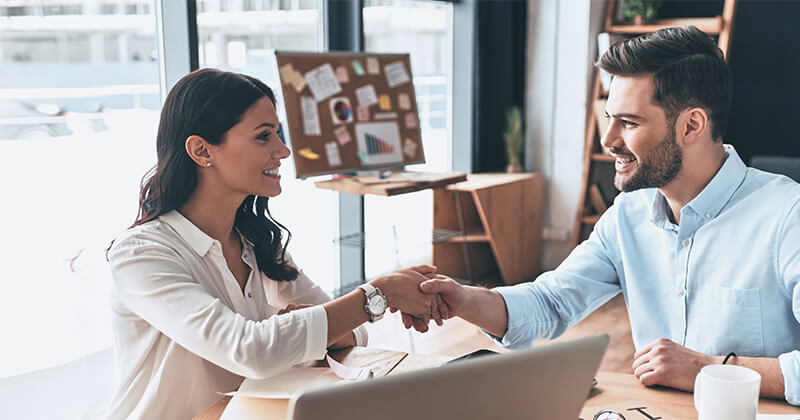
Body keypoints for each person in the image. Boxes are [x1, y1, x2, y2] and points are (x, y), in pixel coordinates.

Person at [411, 26, 800, 405]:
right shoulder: (627, 216)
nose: (608, 139)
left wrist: (708, 369)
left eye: (628, 122)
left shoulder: (787, 215)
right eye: (609, 117)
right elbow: (550, 302)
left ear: (691, 125)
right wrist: (462, 299)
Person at [105, 68, 441, 419]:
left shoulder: (254, 242)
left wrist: (305, 327)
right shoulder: (142, 254)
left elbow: (356, 333)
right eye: (264, 137)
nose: (283, 150)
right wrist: (380, 295)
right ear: (202, 150)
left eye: (278, 134)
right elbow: (250, 350)